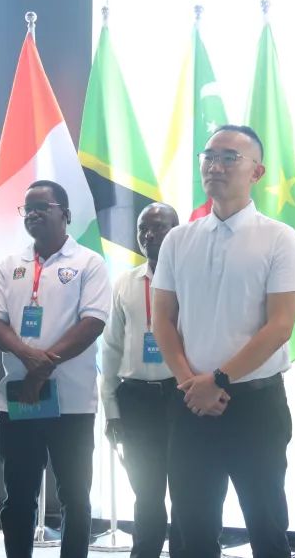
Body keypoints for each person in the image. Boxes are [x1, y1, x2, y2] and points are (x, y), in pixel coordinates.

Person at [151, 125, 295, 558]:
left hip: (255, 405)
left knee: (267, 527)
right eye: (209, 156)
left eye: (229, 158)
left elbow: (280, 326)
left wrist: (217, 380)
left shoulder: (279, 237)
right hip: (191, 404)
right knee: (192, 531)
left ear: (257, 171)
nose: (215, 166)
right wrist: (191, 383)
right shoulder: (179, 239)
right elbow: (162, 319)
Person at [0, 180, 111, 558]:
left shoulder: (89, 263)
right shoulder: (10, 265)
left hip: (72, 403)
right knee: (18, 497)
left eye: (43, 206)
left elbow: (92, 323)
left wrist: (40, 369)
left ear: (65, 214)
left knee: (75, 496)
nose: (34, 213)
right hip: (19, 401)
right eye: (28, 208)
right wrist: (29, 357)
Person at [100, 202, 181, 558]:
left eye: (159, 227)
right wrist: (111, 410)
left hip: (181, 396)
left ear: (176, 232)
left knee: (186, 491)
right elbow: (111, 349)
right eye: (143, 229)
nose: (149, 235)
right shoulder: (125, 283)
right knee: (146, 494)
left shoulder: (190, 280)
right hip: (135, 401)